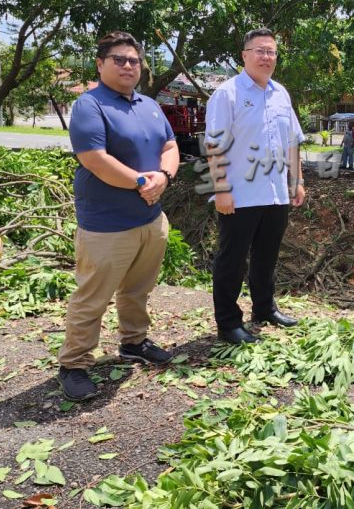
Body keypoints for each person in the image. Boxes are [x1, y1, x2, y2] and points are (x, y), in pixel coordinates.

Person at [58, 31, 180, 402]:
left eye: (134, 60)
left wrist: (165, 176)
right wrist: (145, 182)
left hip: (150, 219)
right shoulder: (90, 105)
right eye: (119, 60)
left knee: (137, 290)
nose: (129, 66)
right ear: (100, 64)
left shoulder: (149, 104)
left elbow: (170, 145)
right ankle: (74, 364)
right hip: (106, 225)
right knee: (92, 297)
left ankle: (134, 342)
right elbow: (94, 160)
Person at [205, 27, 306, 344]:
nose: (266, 57)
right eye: (260, 50)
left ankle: (264, 308)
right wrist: (221, 188)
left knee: (267, 256)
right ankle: (228, 323)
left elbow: (292, 142)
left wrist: (297, 181)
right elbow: (215, 145)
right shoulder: (228, 94)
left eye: (272, 51)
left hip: (276, 193)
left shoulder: (281, 93)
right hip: (239, 194)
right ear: (244, 55)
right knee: (232, 260)